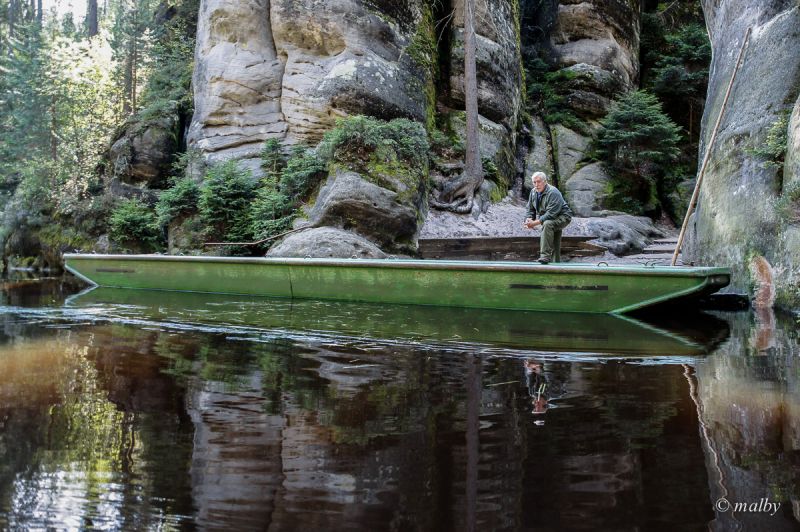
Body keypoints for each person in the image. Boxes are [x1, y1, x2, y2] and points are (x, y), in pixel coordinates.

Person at [523, 172, 573, 264]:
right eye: (534, 182)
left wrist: (534, 223)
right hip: (550, 217)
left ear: (545, 181)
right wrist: (528, 219)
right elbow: (530, 209)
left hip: (563, 216)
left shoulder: (553, 192)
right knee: (553, 235)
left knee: (548, 224)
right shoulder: (533, 192)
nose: (536, 185)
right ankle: (556, 264)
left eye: (538, 182)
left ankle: (545, 256)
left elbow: (551, 214)